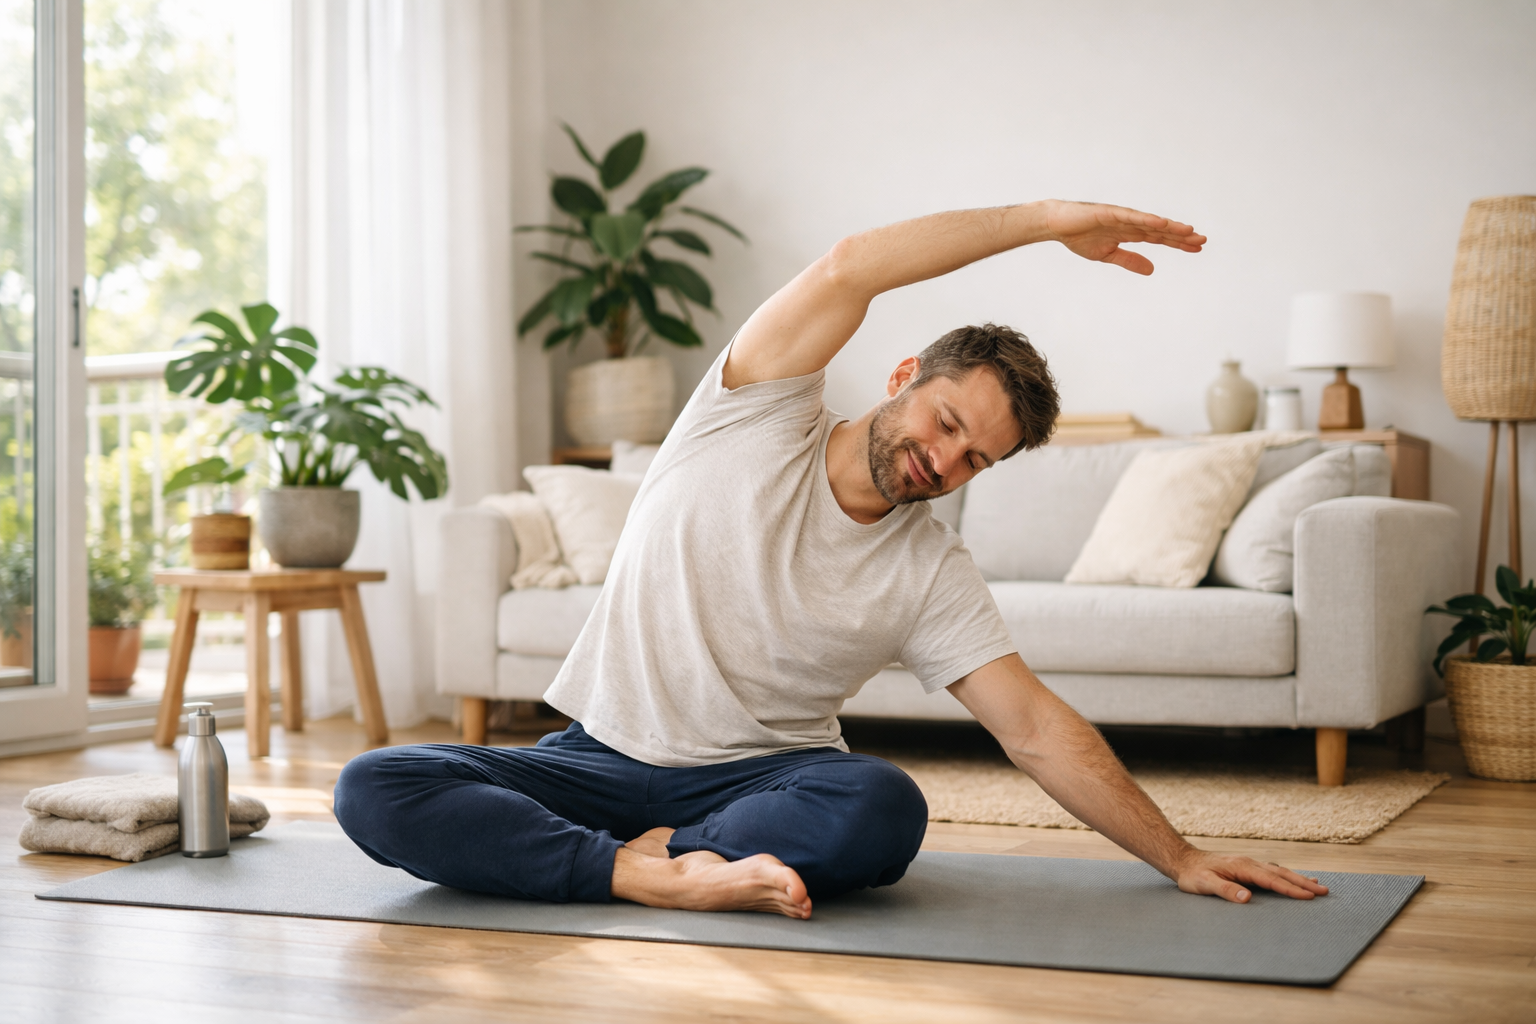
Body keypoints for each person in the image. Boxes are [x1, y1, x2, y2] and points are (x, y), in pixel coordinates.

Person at [334, 199, 1329, 919]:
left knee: (882, 808)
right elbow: (853, 264)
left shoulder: (931, 569)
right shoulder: (756, 408)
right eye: (944, 421)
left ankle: (650, 859)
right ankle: (648, 872)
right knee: (374, 787)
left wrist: (1180, 854)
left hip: (765, 784)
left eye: (974, 457)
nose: (941, 461)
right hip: (596, 756)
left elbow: (1032, 728)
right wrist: (1044, 219)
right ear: (904, 378)